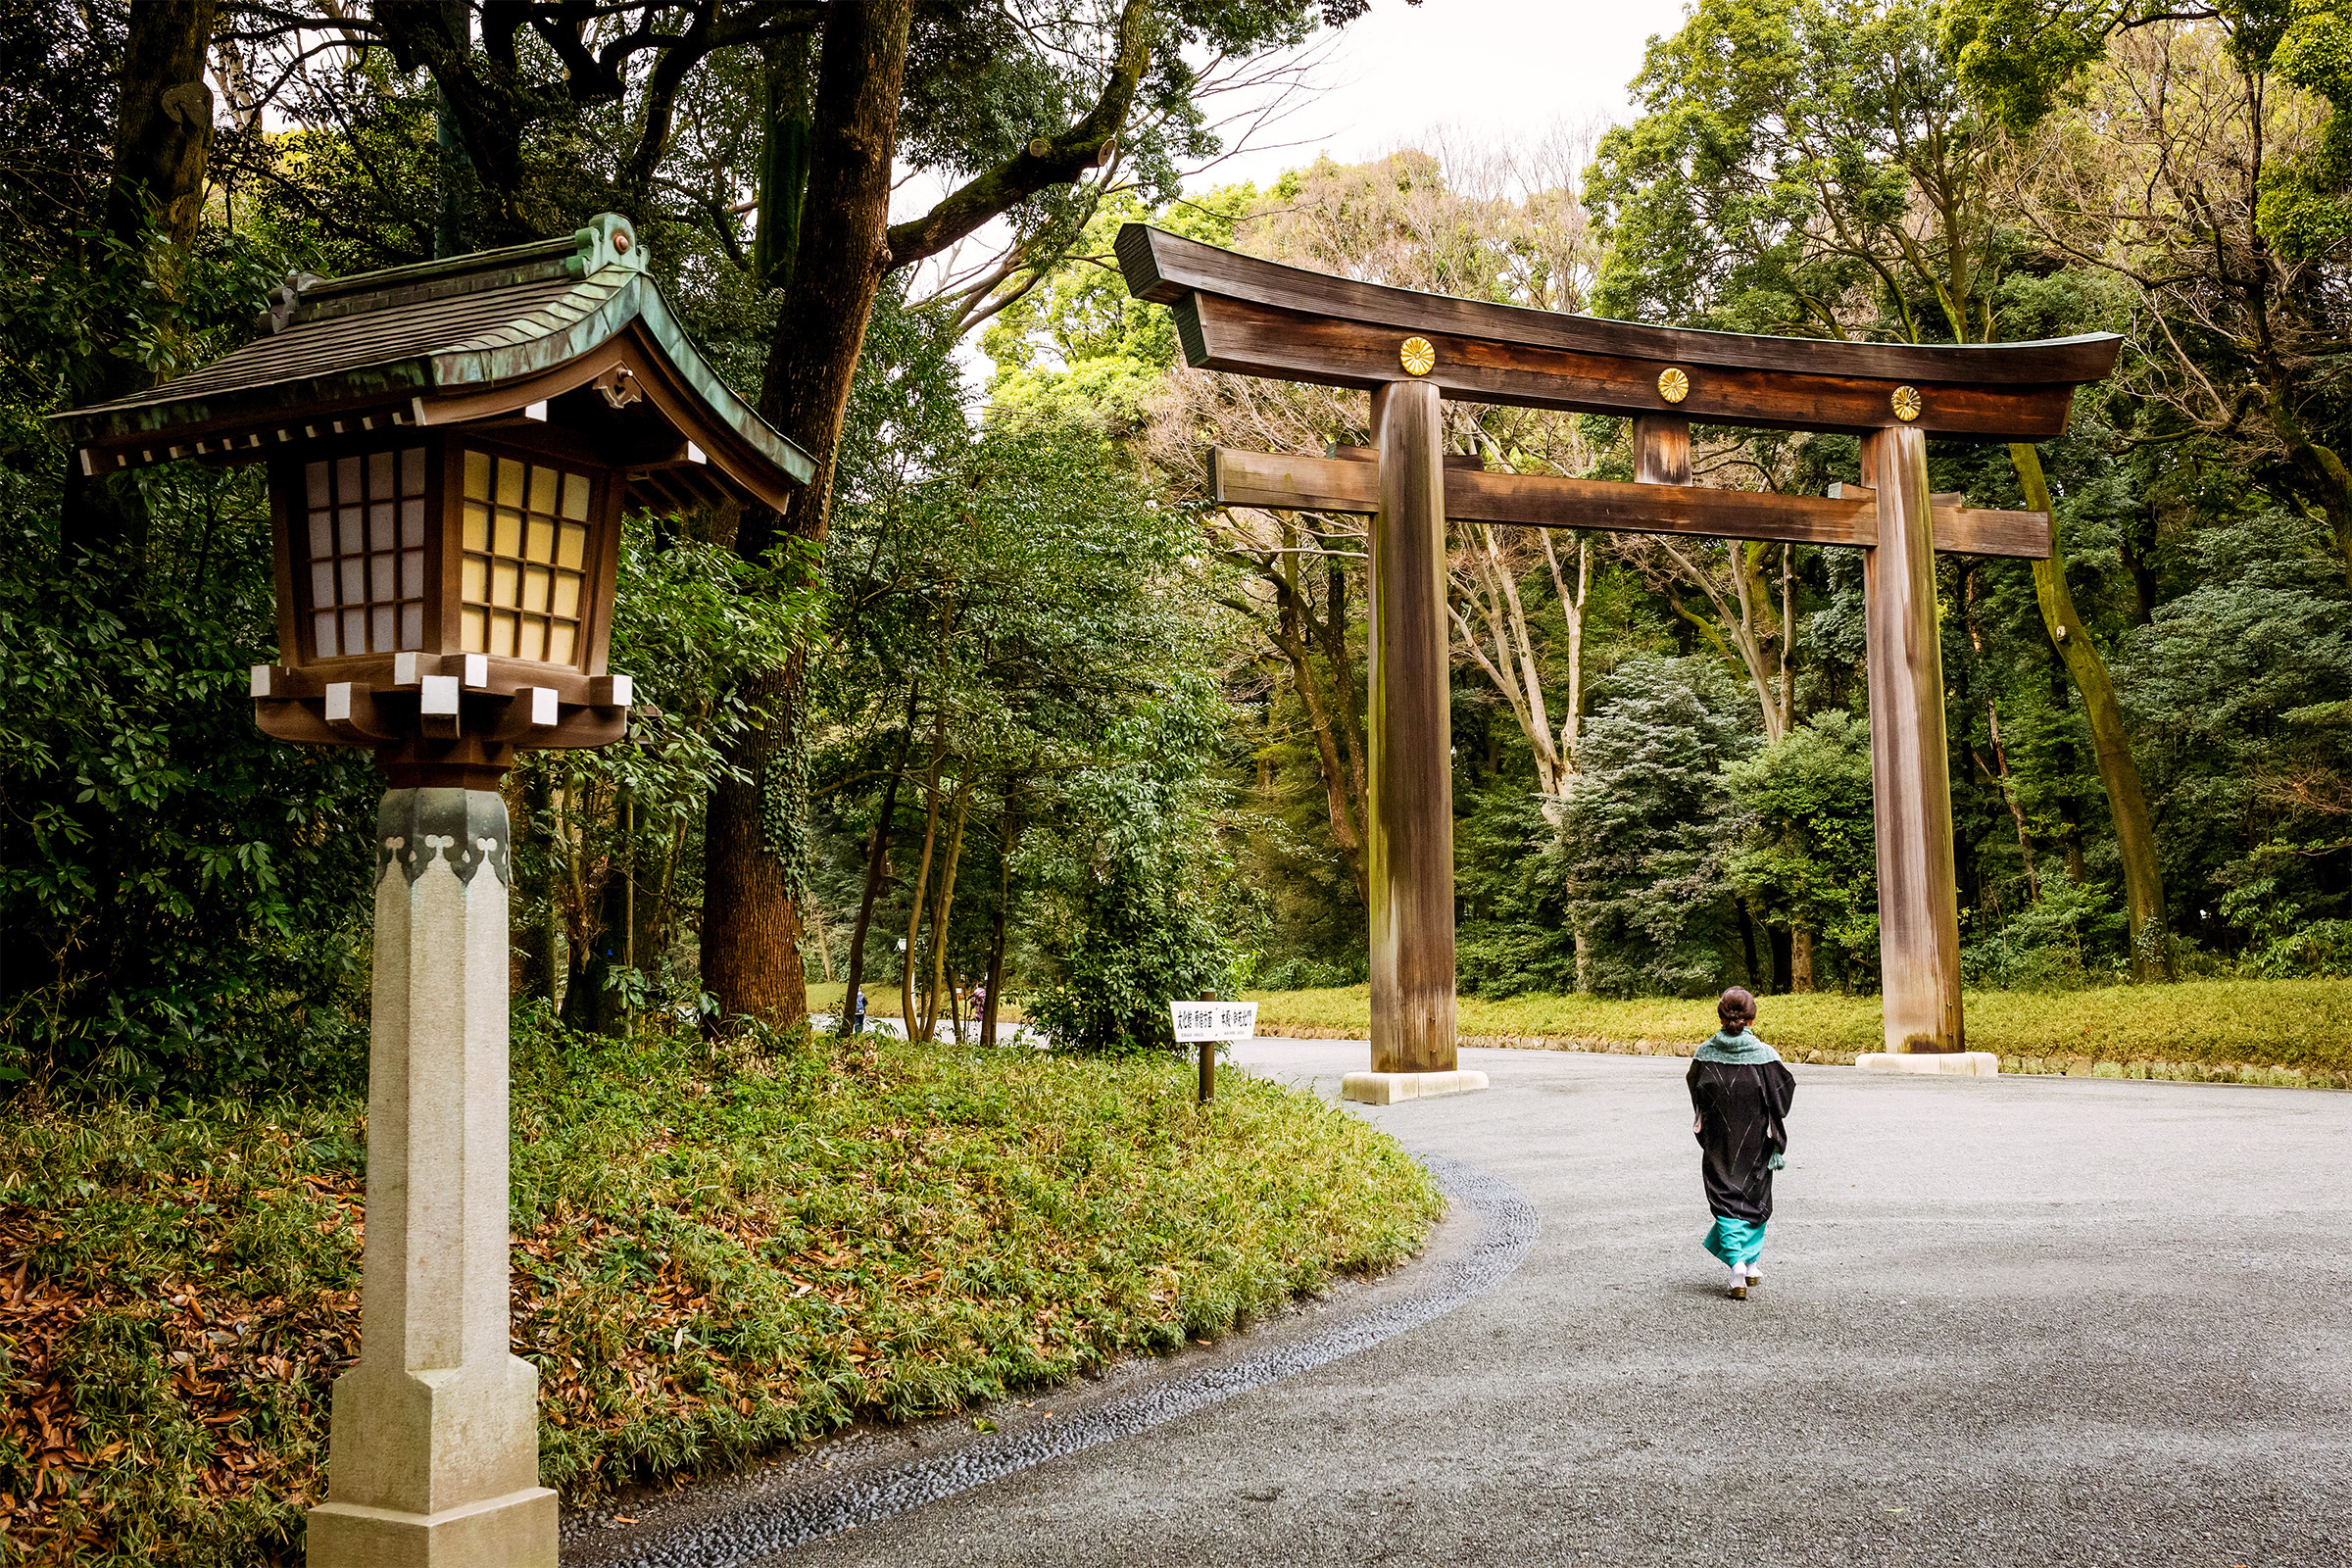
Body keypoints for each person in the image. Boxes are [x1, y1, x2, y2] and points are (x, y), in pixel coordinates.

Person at [1688, 986, 1795, 1300]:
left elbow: (1696, 1089)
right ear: (1752, 1018)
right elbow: (1784, 1093)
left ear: (1721, 1016)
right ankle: (1747, 1263)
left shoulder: (1705, 1054)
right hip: (1756, 1140)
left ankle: (1742, 1263)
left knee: (1724, 1198)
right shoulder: (1765, 1058)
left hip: (1720, 1140)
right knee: (1755, 1199)